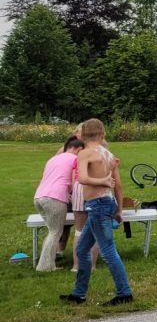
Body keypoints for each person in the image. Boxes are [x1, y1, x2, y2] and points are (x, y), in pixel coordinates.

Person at [62, 118, 133, 306]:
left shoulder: (84, 154)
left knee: (108, 251)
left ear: (83, 136)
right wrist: (119, 210)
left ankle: (124, 293)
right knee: (82, 248)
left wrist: (101, 182)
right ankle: (79, 293)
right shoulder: (109, 155)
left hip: (97, 205)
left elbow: (83, 178)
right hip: (107, 203)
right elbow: (118, 185)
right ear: (103, 135)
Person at [34, 136, 83, 271]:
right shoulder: (75, 159)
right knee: (55, 232)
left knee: (52, 232)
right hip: (55, 198)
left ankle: (46, 263)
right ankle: (45, 266)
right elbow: (75, 182)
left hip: (39, 197)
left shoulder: (53, 159)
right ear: (78, 149)